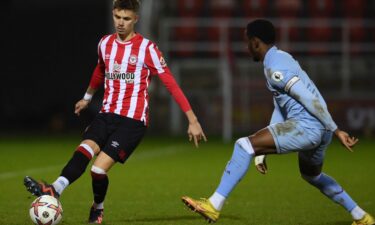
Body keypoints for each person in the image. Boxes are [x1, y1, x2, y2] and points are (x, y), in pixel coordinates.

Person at [24, 0, 206, 223]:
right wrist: (87, 97)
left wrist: (192, 119)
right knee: (84, 150)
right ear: (113, 15)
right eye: (118, 17)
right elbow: (100, 69)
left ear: (135, 19)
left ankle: (98, 207)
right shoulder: (105, 43)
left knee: (98, 171)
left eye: (126, 18)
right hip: (106, 113)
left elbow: (170, 83)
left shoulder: (147, 48)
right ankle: (55, 189)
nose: (121, 23)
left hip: (132, 121)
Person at [181, 19, 374, 225]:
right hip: (320, 128)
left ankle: (213, 205)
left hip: (308, 127)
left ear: (256, 42)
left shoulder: (275, 69)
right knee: (312, 176)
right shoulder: (281, 57)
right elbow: (280, 106)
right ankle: (361, 216)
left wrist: (337, 130)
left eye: (248, 42)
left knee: (243, 145)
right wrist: (261, 153)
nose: (247, 47)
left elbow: (310, 98)